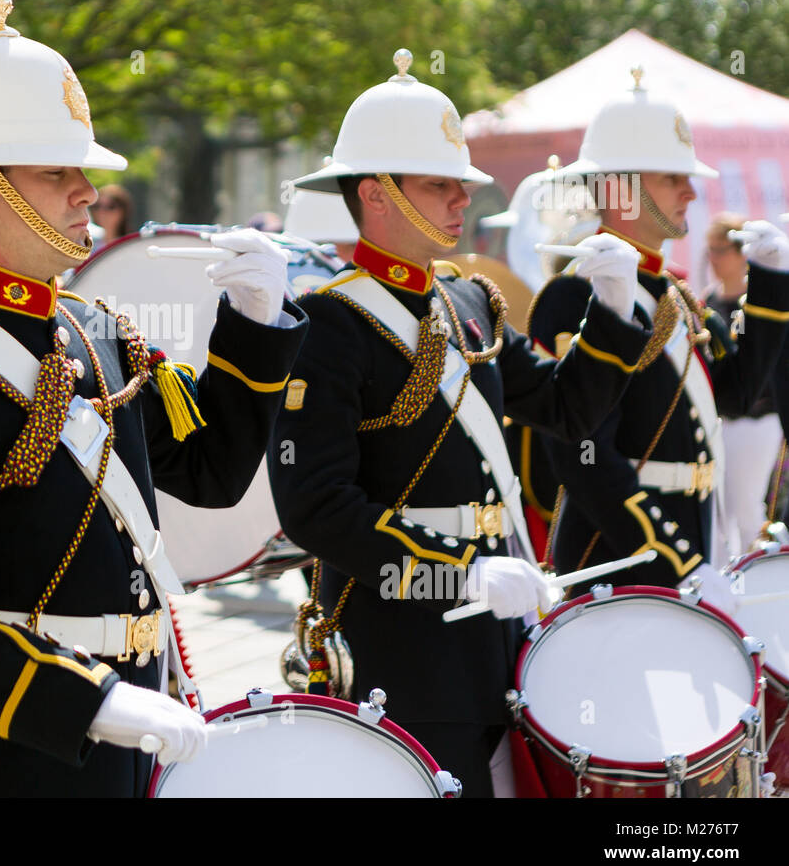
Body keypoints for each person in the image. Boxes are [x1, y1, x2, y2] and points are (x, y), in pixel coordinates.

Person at [0, 0, 306, 797]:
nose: (86, 191)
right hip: (3, 750)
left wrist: (255, 328)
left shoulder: (98, 332)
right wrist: (85, 699)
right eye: (57, 172)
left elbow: (212, 474)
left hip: (132, 727)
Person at [267, 49, 650, 795]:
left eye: (461, 186)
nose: (460, 201)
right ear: (376, 195)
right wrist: (459, 573)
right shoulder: (329, 323)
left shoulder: (468, 303)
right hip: (403, 643)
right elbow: (316, 508)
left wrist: (611, 312)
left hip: (495, 636)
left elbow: (566, 409)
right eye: (439, 184)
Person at [527, 69, 789, 605]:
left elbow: (735, 395)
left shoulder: (675, 296)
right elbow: (583, 454)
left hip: (694, 537)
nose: (692, 191)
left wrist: (770, 287)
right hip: (618, 554)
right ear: (622, 187)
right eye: (673, 178)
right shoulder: (573, 297)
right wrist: (675, 560)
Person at [703, 212, 784, 557]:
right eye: (710, 250)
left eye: (721, 250)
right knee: (720, 512)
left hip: (758, 417)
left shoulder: (760, 300)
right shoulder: (707, 301)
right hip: (720, 418)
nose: (714, 259)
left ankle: (766, 575)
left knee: (746, 506)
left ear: (741, 254)